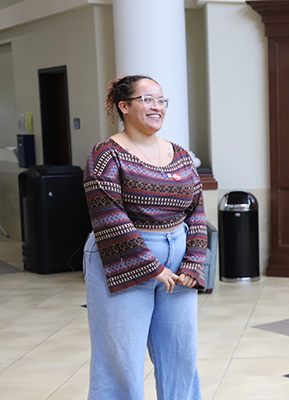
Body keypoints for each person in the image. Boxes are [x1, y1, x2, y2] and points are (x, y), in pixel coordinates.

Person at [83, 75, 207, 399]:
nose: (157, 107)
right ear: (124, 106)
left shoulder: (180, 155)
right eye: (147, 99)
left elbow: (196, 210)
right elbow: (107, 216)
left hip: (178, 261)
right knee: (121, 361)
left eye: (161, 100)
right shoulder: (106, 154)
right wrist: (152, 267)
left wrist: (193, 263)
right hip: (122, 259)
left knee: (181, 356)